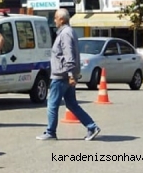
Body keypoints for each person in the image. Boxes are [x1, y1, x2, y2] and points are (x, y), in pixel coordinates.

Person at [37, 9, 101, 141]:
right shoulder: (67, 32)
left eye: (55, 18)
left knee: (52, 104)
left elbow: (69, 55)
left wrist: (71, 74)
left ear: (61, 19)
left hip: (62, 75)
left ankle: (51, 132)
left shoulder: (65, 34)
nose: (54, 20)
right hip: (66, 74)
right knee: (71, 104)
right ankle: (91, 126)